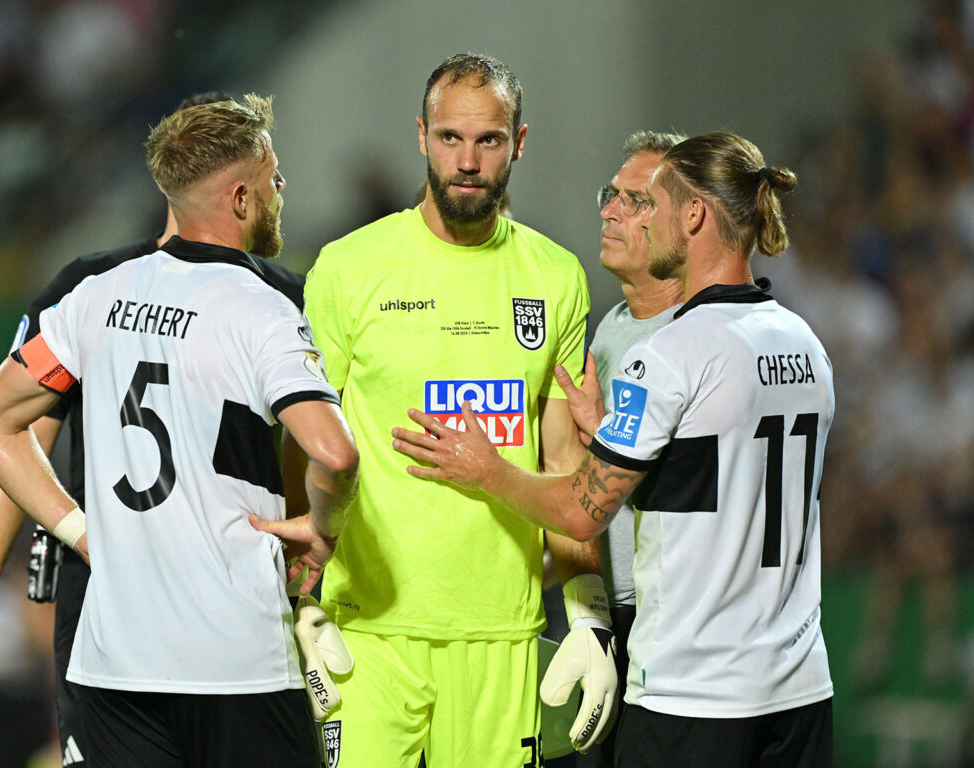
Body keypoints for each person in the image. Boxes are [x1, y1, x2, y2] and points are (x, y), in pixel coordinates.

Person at [393, 131, 835, 768]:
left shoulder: (671, 354)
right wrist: (610, 432)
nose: (632, 218)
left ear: (693, 215)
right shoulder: (803, 343)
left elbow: (581, 512)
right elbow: (717, 476)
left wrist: (486, 469)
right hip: (798, 685)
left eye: (650, 203)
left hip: (696, 688)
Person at [0, 93, 359, 767]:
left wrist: (71, 535)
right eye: (275, 181)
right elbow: (329, 452)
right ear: (240, 197)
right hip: (223, 643)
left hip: (115, 646)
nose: (282, 194)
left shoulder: (89, 293)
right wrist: (322, 530)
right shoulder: (274, 304)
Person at [302, 52, 616, 768]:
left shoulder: (556, 278)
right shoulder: (349, 269)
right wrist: (300, 602)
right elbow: (300, 442)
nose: (467, 161)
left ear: (520, 141)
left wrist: (590, 612)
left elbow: (565, 461)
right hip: (370, 636)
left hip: (502, 635)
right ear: (421, 136)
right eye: (450, 138)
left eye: (489, 140)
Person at [553, 129, 685, 768]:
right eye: (611, 195)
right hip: (620, 610)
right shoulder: (612, 325)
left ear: (686, 220)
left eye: (635, 201)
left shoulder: (698, 333)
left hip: (679, 620)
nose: (609, 211)